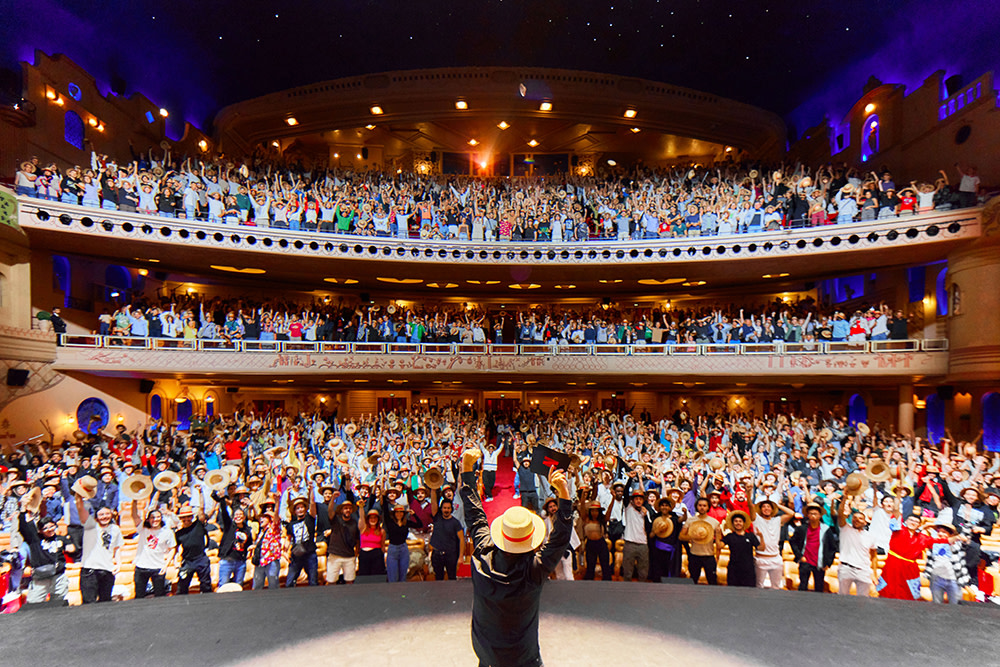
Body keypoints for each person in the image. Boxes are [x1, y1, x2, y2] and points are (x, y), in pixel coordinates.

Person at [460, 448, 572, 667]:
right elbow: (561, 538)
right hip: (524, 658)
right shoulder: (535, 570)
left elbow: (474, 515)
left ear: (502, 534)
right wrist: (563, 494)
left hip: (487, 657)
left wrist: (466, 470)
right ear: (531, 539)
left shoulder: (482, 556)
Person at [76, 492, 123, 603]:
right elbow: (81, 510)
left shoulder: (115, 529)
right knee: (89, 603)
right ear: (96, 516)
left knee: (105, 602)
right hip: (90, 570)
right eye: (101, 514)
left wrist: (119, 564)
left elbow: (117, 548)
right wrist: (79, 495)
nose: (104, 517)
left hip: (107, 570)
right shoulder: (90, 526)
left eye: (107, 514)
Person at [19, 514, 74, 604]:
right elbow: (23, 527)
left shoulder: (60, 539)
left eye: (52, 526)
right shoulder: (35, 540)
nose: (49, 530)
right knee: (33, 602)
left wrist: (66, 545)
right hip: (40, 576)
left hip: (58, 575)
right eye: (45, 528)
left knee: (59, 601)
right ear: (40, 531)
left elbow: (72, 549)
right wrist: (23, 513)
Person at [748, 492, 794, 589]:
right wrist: (748, 493)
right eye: (764, 507)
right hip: (761, 558)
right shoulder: (756, 519)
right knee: (759, 586)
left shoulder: (777, 520)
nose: (766, 508)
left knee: (776, 587)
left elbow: (791, 513)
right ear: (760, 509)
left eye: (769, 507)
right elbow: (750, 506)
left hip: (776, 558)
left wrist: (777, 505)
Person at [131, 502, 175, 598]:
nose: (155, 519)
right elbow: (134, 515)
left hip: (158, 567)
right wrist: (134, 500)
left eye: (158, 517)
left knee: (160, 595)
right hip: (141, 566)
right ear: (148, 519)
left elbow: (172, 549)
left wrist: (166, 565)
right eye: (152, 517)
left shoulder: (167, 532)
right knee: (139, 595)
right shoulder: (143, 528)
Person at [836, 494, 877, 597]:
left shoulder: (870, 536)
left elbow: (874, 556)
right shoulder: (845, 529)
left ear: (865, 522)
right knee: (842, 598)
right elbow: (840, 514)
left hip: (863, 570)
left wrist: (874, 573)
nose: (857, 520)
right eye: (855, 518)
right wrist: (845, 497)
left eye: (860, 518)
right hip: (846, 568)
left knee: (863, 599)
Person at [790, 503, 837, 593]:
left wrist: (828, 562)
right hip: (805, 561)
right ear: (807, 515)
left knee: (819, 587)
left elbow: (832, 547)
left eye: (815, 514)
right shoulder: (801, 529)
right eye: (811, 513)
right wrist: (800, 556)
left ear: (820, 515)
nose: (813, 516)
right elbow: (793, 542)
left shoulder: (826, 529)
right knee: (803, 586)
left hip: (820, 562)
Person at [680, 497, 721, 585]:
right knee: (693, 581)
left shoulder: (714, 522)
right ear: (697, 506)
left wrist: (718, 556)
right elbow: (681, 536)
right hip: (694, 555)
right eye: (700, 505)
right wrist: (693, 536)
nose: (702, 507)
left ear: (708, 507)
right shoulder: (690, 521)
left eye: (704, 506)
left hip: (709, 555)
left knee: (712, 581)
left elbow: (718, 542)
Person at [174, 504, 213, 594]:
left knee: (206, 585)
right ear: (180, 518)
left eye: (188, 516)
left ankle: (208, 601)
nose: (186, 519)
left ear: (192, 517)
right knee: (182, 586)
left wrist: (200, 496)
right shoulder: (178, 533)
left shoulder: (198, 525)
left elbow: (201, 510)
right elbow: (175, 549)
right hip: (187, 561)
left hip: (201, 558)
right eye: (184, 517)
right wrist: (176, 561)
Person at [286, 491, 319, 587]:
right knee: (289, 582)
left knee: (313, 581)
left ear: (305, 509)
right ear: (295, 511)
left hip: (310, 553)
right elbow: (289, 538)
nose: (300, 510)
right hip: (297, 554)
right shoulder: (291, 524)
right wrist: (286, 550)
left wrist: (311, 490)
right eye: (297, 508)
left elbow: (312, 504)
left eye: (302, 507)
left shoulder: (309, 518)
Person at [429, 498, 465, 581]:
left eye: (448, 508)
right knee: (438, 579)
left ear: (451, 509)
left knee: (452, 578)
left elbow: (461, 539)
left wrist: (460, 557)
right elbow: (433, 503)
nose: (446, 510)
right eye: (444, 508)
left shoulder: (456, 523)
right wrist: (433, 491)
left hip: (451, 555)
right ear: (441, 509)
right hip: (437, 555)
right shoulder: (437, 518)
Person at [325, 497, 358, 585]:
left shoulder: (354, 523)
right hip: (334, 555)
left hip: (349, 556)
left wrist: (356, 554)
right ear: (342, 510)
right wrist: (333, 498)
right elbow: (330, 511)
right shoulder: (336, 520)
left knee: (350, 581)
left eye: (350, 508)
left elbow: (357, 539)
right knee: (331, 581)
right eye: (346, 508)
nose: (348, 510)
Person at [722, 510, 758, 587]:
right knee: (733, 591)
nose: (738, 523)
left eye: (740, 521)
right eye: (736, 521)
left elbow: (761, 548)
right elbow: (719, 546)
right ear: (733, 523)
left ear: (744, 523)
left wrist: (761, 537)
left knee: (749, 591)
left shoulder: (750, 536)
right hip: (733, 569)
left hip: (748, 569)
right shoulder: (729, 536)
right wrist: (718, 533)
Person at [357, 508, 387, 578]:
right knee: (364, 576)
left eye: (375, 518)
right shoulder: (363, 528)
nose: (373, 520)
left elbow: (382, 545)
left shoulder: (382, 531)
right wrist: (361, 507)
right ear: (368, 519)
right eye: (371, 518)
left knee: (376, 577)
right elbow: (361, 517)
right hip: (364, 555)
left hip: (377, 555)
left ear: (378, 519)